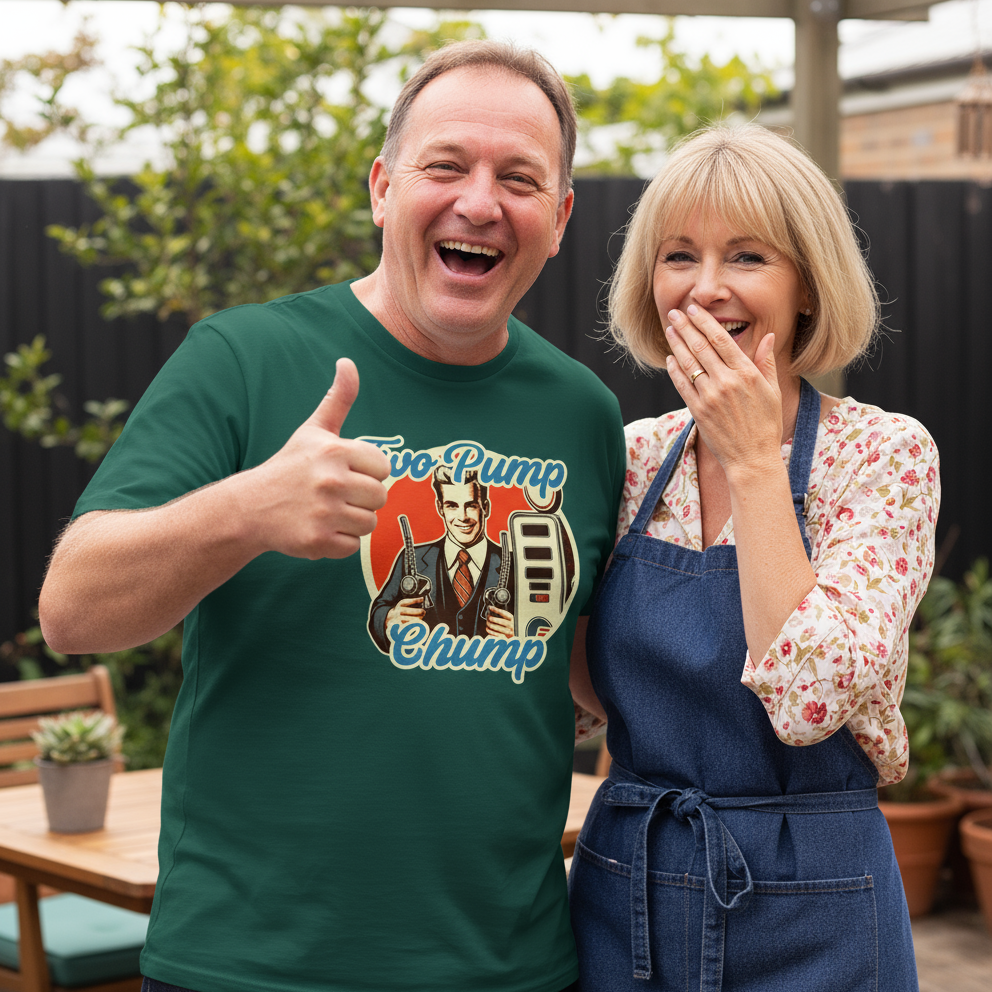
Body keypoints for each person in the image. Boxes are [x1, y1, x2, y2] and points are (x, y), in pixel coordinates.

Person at [38, 41, 626, 992]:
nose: (480, 202)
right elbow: (72, 610)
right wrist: (246, 511)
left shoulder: (584, 414)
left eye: (519, 178)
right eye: (446, 165)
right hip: (248, 965)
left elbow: (590, 666)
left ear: (557, 220)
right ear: (383, 187)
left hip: (512, 968)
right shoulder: (242, 358)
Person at [568, 124, 939, 992]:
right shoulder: (627, 459)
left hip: (818, 901)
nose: (705, 290)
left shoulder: (883, 457)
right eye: (677, 258)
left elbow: (810, 701)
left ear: (806, 285)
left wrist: (752, 462)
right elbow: (581, 695)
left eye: (745, 257)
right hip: (629, 891)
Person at [368, 466, 515, 650]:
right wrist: (390, 619)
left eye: (471, 505)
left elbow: (542, 621)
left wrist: (519, 635)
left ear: (485, 507)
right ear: (440, 508)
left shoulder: (515, 564)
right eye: (452, 505)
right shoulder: (413, 557)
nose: (462, 517)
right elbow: (378, 611)